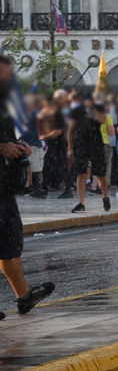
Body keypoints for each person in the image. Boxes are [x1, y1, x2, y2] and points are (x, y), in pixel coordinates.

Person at [0, 55, 56, 319]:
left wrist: (17, 144)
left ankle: (24, 296)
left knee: (10, 244)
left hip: (4, 187)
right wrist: (2, 148)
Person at [68, 93, 110, 213]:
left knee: (100, 173)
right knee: (80, 172)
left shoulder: (97, 109)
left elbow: (103, 120)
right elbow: (71, 130)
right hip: (81, 144)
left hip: (96, 144)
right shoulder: (77, 111)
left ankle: (105, 196)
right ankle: (81, 203)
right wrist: (70, 148)